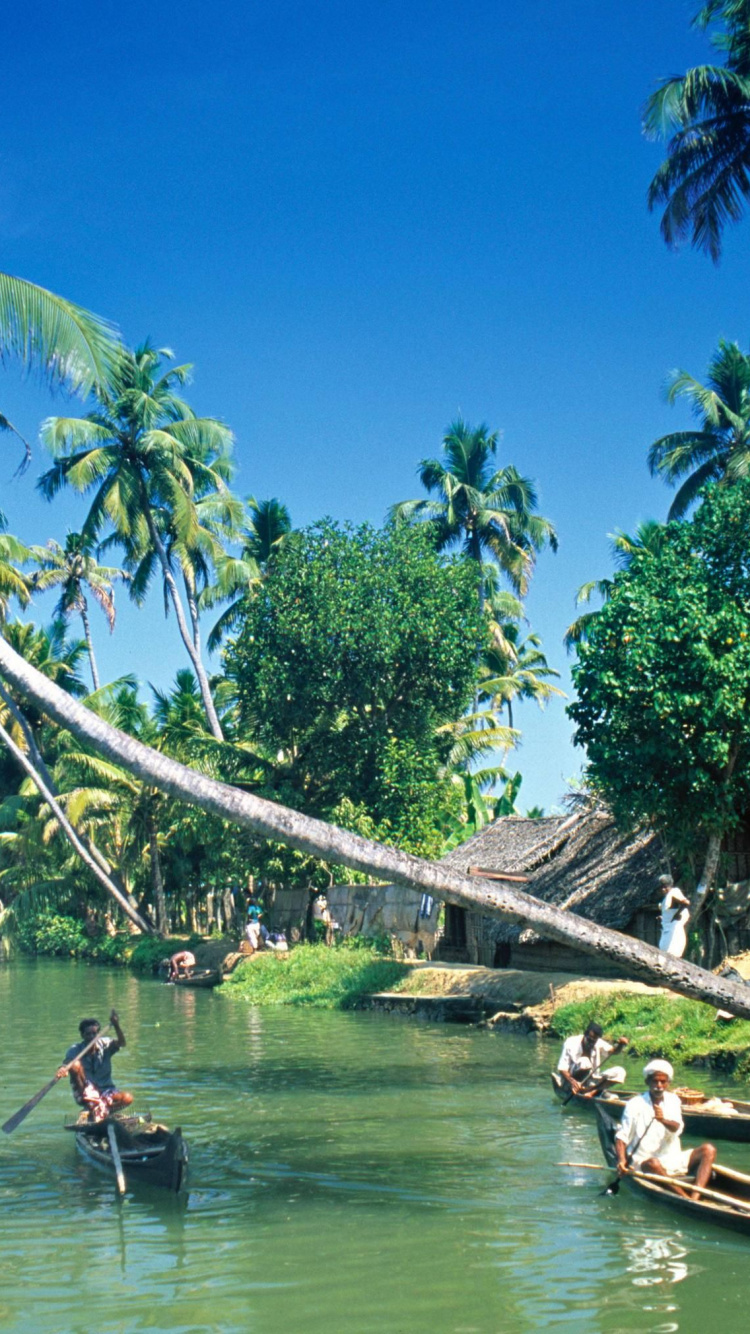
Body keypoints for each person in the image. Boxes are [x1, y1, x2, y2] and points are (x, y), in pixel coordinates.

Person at [615, 1059, 716, 1200]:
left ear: (668, 1083)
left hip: (672, 1158)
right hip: (645, 1162)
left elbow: (677, 1128)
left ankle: (695, 1196)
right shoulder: (634, 1104)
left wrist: (662, 1120)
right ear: (647, 1082)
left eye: (663, 1082)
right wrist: (621, 1160)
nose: (659, 1086)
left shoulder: (673, 1100)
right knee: (653, 1163)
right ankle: (685, 1199)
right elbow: (622, 1136)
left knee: (708, 1150)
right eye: (655, 1081)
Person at [57, 1011, 133, 1122]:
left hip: (106, 1090)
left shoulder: (105, 1044)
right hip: (85, 1092)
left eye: (94, 1034)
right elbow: (67, 1063)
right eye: (88, 1034)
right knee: (75, 1065)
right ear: (82, 1035)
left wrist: (116, 1025)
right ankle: (89, 1107)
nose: (92, 1037)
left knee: (127, 1098)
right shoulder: (75, 1049)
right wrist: (63, 1069)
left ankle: (102, 1111)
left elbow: (122, 1043)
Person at [557, 1021, 629, 1097]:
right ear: (585, 1034)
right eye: (589, 1039)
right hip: (571, 1080)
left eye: (594, 1041)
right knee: (585, 1061)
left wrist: (620, 1045)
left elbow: (613, 1051)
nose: (591, 1043)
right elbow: (562, 1069)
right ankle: (582, 1089)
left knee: (620, 1071)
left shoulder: (598, 1042)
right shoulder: (571, 1042)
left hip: (591, 1081)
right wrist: (573, 1082)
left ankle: (592, 1092)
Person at [658, 874, 690, 957]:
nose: (663, 889)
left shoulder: (673, 892)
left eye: (665, 887)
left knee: (670, 954)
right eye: (661, 887)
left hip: (673, 930)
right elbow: (670, 910)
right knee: (664, 953)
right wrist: (663, 918)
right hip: (667, 929)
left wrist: (677, 914)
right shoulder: (667, 897)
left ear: (670, 885)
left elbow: (686, 902)